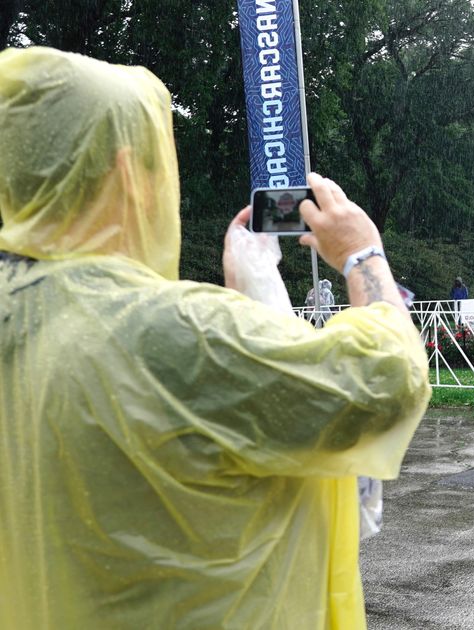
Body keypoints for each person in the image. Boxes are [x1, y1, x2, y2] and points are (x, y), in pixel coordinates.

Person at [0, 47, 430, 629]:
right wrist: (362, 255)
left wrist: (246, 304)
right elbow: (381, 381)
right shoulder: (169, 330)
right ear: (127, 170)